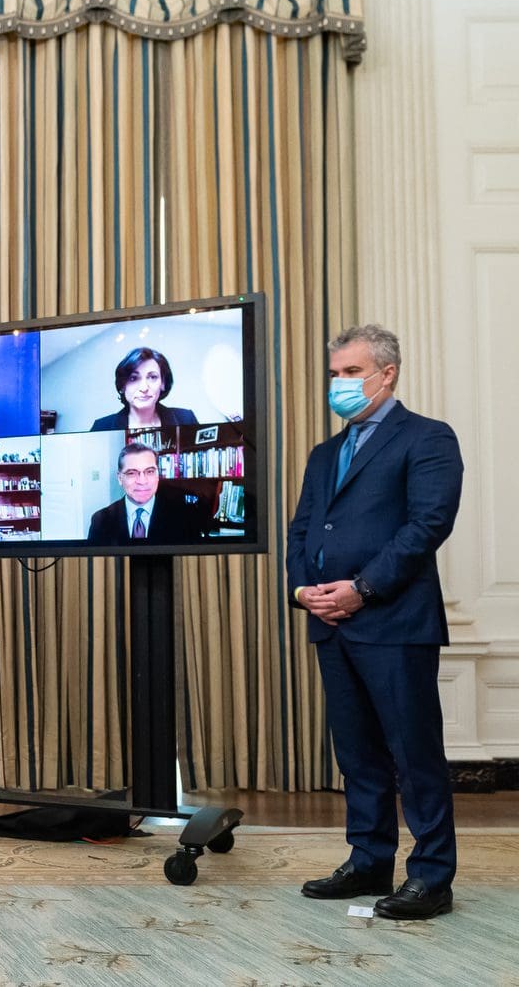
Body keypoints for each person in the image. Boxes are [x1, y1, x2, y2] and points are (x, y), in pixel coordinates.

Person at [287, 324, 463, 920]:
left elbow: (427, 525)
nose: (339, 384)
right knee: (357, 755)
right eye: (334, 374)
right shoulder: (324, 453)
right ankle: (368, 862)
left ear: (387, 374)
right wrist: (303, 590)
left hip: (395, 624)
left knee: (414, 756)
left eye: (351, 373)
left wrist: (361, 590)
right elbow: (303, 529)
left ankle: (431, 877)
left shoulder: (429, 438)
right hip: (330, 625)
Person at [85, 443, 210, 544]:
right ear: (119, 478)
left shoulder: (185, 517)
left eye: (149, 472)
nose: (142, 481)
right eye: (132, 473)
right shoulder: (101, 520)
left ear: (157, 475)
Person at [90, 347, 200, 432]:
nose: (144, 388)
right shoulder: (101, 426)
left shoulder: (186, 419)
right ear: (122, 386)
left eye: (152, 377)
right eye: (133, 378)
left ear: (163, 383)